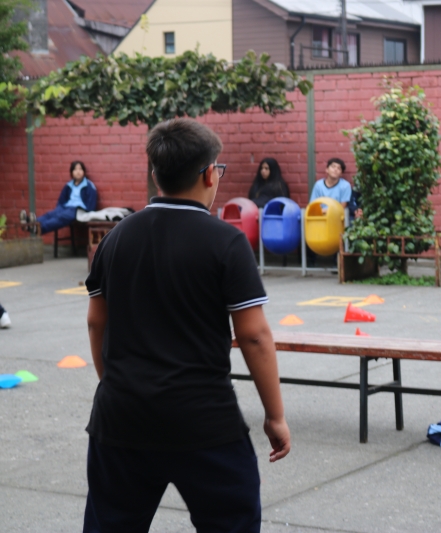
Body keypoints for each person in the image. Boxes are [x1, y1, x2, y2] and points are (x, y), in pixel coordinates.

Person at [83, 118, 289, 532]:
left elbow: (95, 323)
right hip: (204, 423)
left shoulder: (115, 238)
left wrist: (116, 385)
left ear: (154, 173)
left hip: (120, 419)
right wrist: (275, 416)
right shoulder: (225, 242)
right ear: (210, 173)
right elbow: (253, 335)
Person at [24, 161, 98, 234]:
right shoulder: (69, 185)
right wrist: (59, 209)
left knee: (61, 217)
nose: (78, 172)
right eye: (75, 169)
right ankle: (31, 223)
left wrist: (86, 212)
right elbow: (61, 200)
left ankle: (39, 228)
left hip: (78, 210)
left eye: (80, 169)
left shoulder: (89, 185)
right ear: (71, 172)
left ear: (84, 171)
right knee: (51, 214)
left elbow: (91, 204)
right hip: (66, 207)